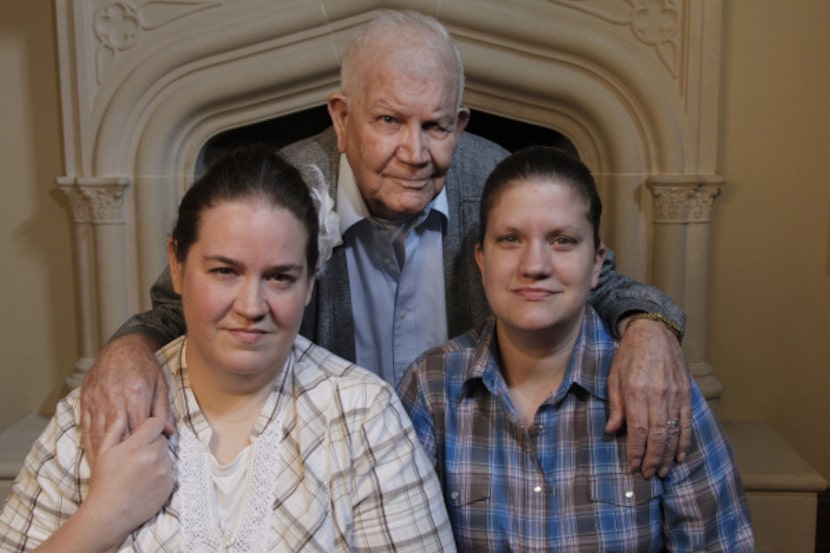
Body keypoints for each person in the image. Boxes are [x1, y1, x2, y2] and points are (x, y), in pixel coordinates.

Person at [82, 9, 691, 478]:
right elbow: (177, 307)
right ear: (342, 118)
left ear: (461, 123)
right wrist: (126, 351)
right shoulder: (282, 191)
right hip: (320, 469)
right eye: (389, 121)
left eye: (435, 125)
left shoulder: (496, 182)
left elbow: (591, 278)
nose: (415, 154)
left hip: (472, 472)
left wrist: (649, 328)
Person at [0, 146, 456, 552]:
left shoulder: (364, 418)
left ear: (311, 283)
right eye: (224, 271)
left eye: (279, 277)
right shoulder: (101, 415)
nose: (251, 306)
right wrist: (104, 518)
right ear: (177, 266)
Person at [397, 146, 754, 552]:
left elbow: (718, 544)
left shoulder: (658, 386)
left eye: (562, 240)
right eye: (510, 239)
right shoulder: (431, 388)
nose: (535, 265)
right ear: (481, 259)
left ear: (598, 263)